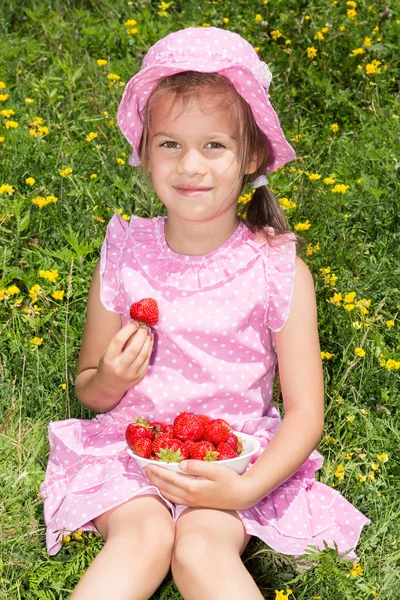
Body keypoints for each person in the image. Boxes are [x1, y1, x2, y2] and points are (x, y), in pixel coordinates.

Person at [40, 26, 370, 600]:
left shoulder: (277, 267)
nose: (190, 165)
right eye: (170, 143)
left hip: (233, 460)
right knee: (141, 539)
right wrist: (111, 380)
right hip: (130, 454)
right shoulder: (124, 251)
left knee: (200, 545)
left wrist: (242, 492)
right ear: (143, 152)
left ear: (251, 157)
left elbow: (305, 413)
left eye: (213, 145)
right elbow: (89, 389)